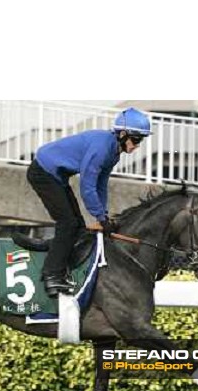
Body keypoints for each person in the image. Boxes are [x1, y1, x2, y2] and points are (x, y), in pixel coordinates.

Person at [27, 107, 152, 297]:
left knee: (77, 226)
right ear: (123, 134)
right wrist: (101, 217)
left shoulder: (113, 151)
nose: (137, 145)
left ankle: (59, 263)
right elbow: (88, 186)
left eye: (140, 140)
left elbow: (101, 184)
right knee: (68, 223)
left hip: (57, 176)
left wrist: (104, 215)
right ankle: (52, 276)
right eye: (135, 139)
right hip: (43, 173)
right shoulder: (102, 149)